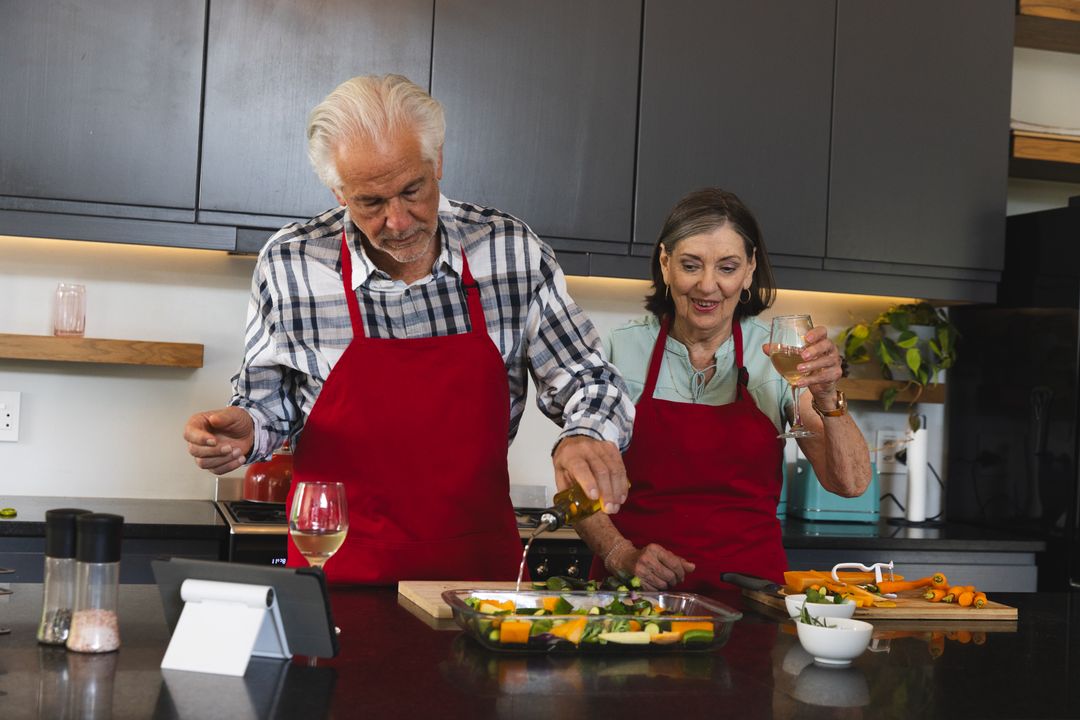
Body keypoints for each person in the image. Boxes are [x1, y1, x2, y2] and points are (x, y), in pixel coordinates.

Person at [183, 74, 633, 584]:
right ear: (338, 191)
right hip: (335, 566)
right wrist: (246, 428)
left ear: (437, 161)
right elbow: (269, 403)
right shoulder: (291, 262)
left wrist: (585, 435)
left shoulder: (510, 251)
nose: (398, 221)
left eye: (412, 191)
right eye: (371, 203)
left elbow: (588, 378)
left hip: (479, 581)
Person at [577, 188, 871, 594]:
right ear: (665, 264)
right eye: (690, 265)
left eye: (727, 267)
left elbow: (850, 484)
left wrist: (827, 396)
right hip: (631, 599)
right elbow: (575, 487)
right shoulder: (617, 349)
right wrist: (619, 554)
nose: (707, 285)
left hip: (750, 599)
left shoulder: (776, 353)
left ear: (750, 270)